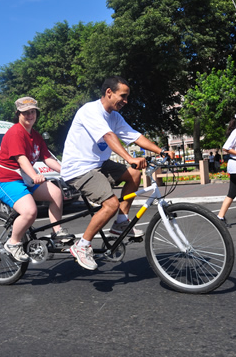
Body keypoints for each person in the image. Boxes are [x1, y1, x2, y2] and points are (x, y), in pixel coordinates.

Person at [61, 76, 174, 270]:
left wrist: (160, 151)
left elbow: (135, 135)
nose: (126, 101)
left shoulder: (114, 116)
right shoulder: (90, 111)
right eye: (123, 96)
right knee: (110, 204)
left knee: (134, 175)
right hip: (78, 168)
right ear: (108, 92)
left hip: (99, 164)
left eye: (127, 97)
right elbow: (108, 136)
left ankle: (121, 223)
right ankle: (82, 245)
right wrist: (130, 158)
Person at [0, 97, 72, 262]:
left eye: (32, 111)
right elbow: (21, 159)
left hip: (24, 179)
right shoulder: (15, 132)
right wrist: (35, 175)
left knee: (56, 193)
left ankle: (57, 232)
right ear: (18, 114)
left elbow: (47, 158)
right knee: (30, 211)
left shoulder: (35, 135)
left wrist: (68, 171)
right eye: (25, 112)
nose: (29, 115)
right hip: (5, 180)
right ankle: (13, 243)